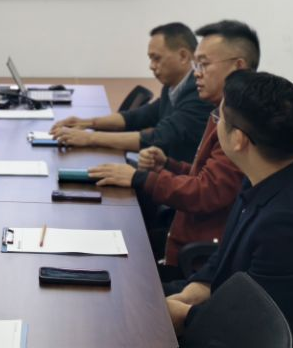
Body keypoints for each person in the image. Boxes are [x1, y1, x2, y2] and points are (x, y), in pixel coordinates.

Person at [166, 71, 293, 342]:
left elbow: (258, 331)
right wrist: (196, 289)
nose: (216, 125)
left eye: (219, 118)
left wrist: (185, 316)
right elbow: (225, 256)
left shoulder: (289, 226)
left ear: (238, 139)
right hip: (226, 306)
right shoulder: (269, 174)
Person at [88, 20, 255, 276]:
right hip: (183, 234)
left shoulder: (240, 125)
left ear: (238, 67)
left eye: (203, 64)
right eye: (196, 64)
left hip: (199, 258)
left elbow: (207, 192)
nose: (196, 73)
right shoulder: (218, 112)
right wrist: (168, 164)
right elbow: (204, 175)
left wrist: (139, 177)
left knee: (113, 267)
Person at [52, 23, 212, 162]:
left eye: (156, 58)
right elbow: (139, 116)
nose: (151, 66)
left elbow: (157, 138)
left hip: (179, 180)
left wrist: (90, 138)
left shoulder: (199, 94)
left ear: (183, 56)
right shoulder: (173, 86)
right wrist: (87, 123)